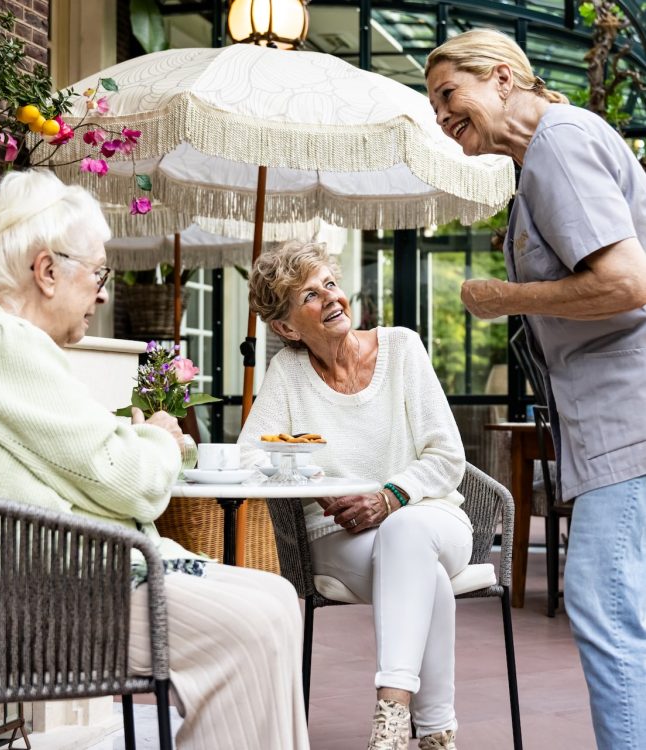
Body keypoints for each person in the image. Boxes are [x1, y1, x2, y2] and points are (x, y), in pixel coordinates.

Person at [0, 169, 310, 750]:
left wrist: (130, 454)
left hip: (41, 574)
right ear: (46, 271)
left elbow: (90, 472)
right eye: (98, 273)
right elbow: (128, 482)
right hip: (17, 599)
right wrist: (160, 439)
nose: (104, 292)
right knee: (250, 624)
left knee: (274, 600)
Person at [425, 29, 646, 749]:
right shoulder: (549, 152)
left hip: (629, 419)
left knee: (604, 606)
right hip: (618, 422)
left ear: (500, 77)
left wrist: (508, 296)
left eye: (447, 94)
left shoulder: (557, 141)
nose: (441, 115)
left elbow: (626, 284)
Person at [238, 240, 473, 750]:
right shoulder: (289, 374)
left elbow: (448, 456)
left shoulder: (403, 348)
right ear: (284, 328)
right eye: (309, 296)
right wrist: (310, 482)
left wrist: (389, 496)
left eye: (330, 284)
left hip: (433, 519)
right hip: (340, 537)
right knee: (424, 576)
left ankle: (391, 713)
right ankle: (435, 733)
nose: (330, 299)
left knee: (407, 531)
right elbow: (250, 457)